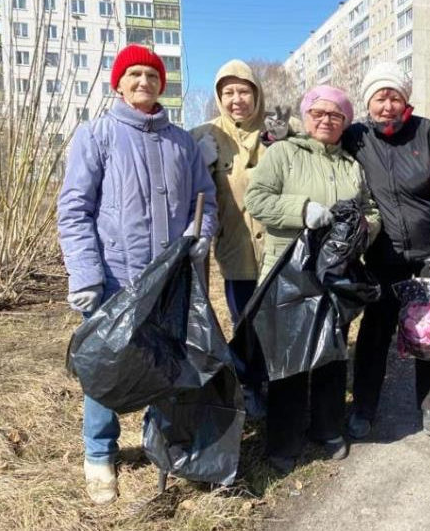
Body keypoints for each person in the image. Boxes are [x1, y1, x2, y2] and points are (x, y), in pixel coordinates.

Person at [57, 44, 217, 504]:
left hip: (168, 283)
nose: (144, 82)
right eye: (135, 75)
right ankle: (99, 455)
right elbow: (74, 211)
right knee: (108, 370)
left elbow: (203, 201)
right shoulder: (97, 135)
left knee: (165, 367)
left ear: (162, 84)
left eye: (152, 76)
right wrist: (85, 274)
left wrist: (200, 234)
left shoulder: (181, 142)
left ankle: (159, 442)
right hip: (115, 278)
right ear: (119, 82)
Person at [244, 85, 380, 473]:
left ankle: (327, 427)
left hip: (335, 273)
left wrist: (360, 231)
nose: (326, 120)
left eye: (335, 115)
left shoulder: (351, 164)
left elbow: (370, 210)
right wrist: (302, 210)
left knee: (331, 351)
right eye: (318, 113)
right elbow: (257, 200)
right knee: (288, 358)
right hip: (288, 270)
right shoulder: (283, 154)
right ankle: (284, 440)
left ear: (345, 123)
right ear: (305, 117)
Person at [341, 62, 430, 440]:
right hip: (380, 257)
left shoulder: (429, 133)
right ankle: (364, 406)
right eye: (379, 98)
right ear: (368, 102)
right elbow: (316, 142)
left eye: (394, 97)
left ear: (406, 100)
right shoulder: (356, 137)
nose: (387, 106)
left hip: (427, 256)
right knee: (374, 336)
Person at [190, 60, 269, 418]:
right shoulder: (204, 135)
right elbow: (188, 190)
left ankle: (279, 386)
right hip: (235, 248)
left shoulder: (277, 131)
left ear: (257, 93)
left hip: (276, 250)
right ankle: (249, 388)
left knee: (276, 321)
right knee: (245, 321)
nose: (237, 99)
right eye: (229, 92)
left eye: (244, 91)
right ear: (220, 97)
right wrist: (198, 162)